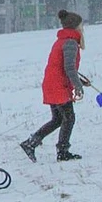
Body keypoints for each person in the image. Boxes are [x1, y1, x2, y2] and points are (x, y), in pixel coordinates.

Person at [20, 10, 86, 162]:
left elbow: (65, 68)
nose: (83, 29)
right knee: (69, 118)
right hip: (58, 86)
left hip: (52, 84)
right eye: (81, 26)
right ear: (75, 27)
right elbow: (69, 68)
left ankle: (31, 143)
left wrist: (80, 82)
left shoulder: (62, 40)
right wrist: (77, 86)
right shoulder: (70, 42)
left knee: (58, 119)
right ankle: (62, 152)